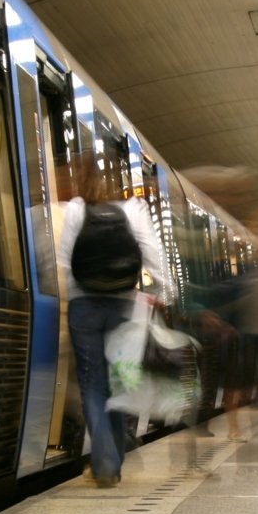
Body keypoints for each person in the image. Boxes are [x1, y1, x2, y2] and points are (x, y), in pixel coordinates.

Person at [57, 163, 173, 488]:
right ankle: (114, 461)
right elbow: (153, 253)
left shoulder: (77, 210)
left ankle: (105, 463)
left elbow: (65, 261)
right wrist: (163, 293)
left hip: (84, 308)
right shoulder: (133, 209)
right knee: (118, 382)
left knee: (92, 384)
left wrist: (77, 291)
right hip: (124, 305)